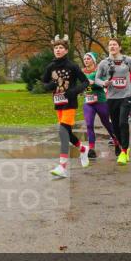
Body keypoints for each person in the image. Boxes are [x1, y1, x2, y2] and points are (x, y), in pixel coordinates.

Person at [41, 35, 90, 178]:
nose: (58, 50)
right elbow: (44, 83)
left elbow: (85, 82)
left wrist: (74, 91)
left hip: (70, 103)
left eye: (61, 47)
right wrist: (49, 86)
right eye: (56, 48)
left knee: (62, 132)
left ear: (66, 50)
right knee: (67, 133)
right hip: (58, 103)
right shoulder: (50, 66)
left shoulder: (72, 66)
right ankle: (83, 149)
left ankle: (62, 166)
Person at [95, 38, 131, 165]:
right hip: (111, 98)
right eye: (110, 45)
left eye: (114, 44)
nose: (112, 47)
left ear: (119, 47)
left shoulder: (128, 60)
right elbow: (97, 79)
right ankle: (122, 147)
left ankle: (124, 151)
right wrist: (103, 83)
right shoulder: (104, 63)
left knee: (123, 122)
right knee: (115, 125)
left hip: (126, 96)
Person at [81, 52, 121, 159]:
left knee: (106, 123)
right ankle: (91, 149)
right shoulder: (82, 72)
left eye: (88, 59)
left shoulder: (99, 70)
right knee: (89, 124)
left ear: (93, 61)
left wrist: (93, 82)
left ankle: (116, 142)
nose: (86, 61)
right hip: (88, 102)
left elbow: (105, 83)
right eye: (85, 59)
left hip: (100, 101)